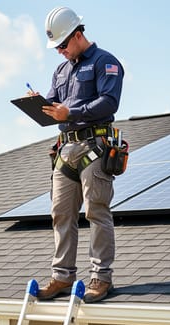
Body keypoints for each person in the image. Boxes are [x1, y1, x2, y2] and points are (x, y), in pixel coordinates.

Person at [34, 6, 124, 303]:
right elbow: (54, 105)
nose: (59, 51)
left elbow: (109, 103)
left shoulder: (105, 62)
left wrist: (69, 112)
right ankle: (62, 276)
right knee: (60, 213)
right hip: (65, 148)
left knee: (96, 212)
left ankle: (101, 278)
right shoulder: (61, 70)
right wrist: (39, 104)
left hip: (93, 147)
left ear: (77, 34)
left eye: (62, 44)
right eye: (55, 47)